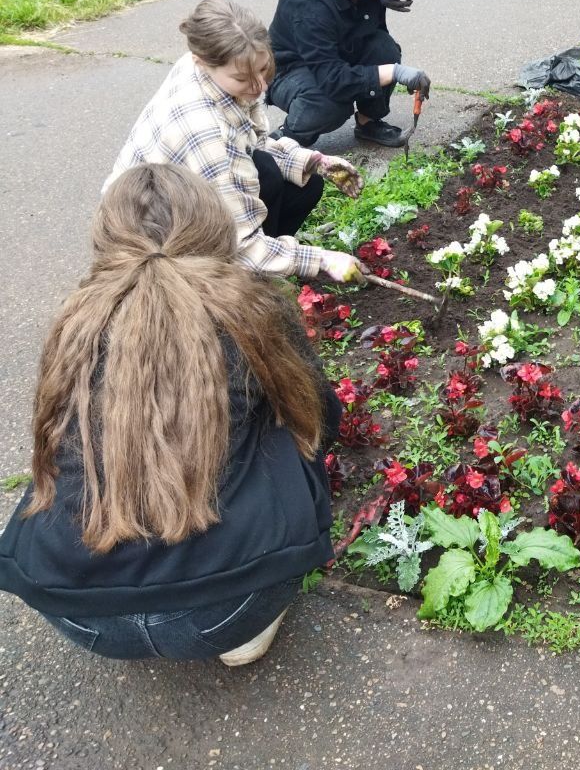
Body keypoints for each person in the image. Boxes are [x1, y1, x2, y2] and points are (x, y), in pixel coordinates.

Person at [0, 164, 340, 665]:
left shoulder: (78, 318)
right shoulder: (252, 307)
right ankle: (245, 634)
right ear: (214, 228)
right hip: (229, 606)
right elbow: (321, 420)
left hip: (83, 613)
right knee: (294, 422)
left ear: (106, 236)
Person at [106, 0, 365, 284]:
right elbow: (242, 247)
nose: (260, 86)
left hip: (186, 190)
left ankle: (267, 267)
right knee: (266, 175)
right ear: (202, 62)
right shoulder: (206, 130)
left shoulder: (220, 66)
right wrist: (322, 259)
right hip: (151, 234)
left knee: (302, 180)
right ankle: (235, 283)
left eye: (264, 68)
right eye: (242, 79)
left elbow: (253, 141)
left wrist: (315, 161)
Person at [268, 0, 444, 148]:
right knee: (331, 104)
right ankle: (288, 139)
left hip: (342, 51)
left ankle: (368, 123)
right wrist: (395, 72)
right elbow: (332, 78)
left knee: (383, 48)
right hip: (293, 69)